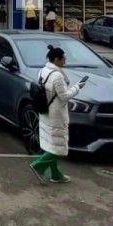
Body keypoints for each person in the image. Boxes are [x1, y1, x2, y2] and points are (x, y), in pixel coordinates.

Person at [30, 45, 86, 185]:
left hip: (45, 111)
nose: (65, 60)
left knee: (51, 144)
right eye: (63, 58)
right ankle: (38, 165)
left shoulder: (43, 70)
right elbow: (64, 96)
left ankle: (56, 175)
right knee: (57, 147)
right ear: (56, 59)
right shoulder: (57, 76)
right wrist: (78, 87)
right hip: (56, 115)